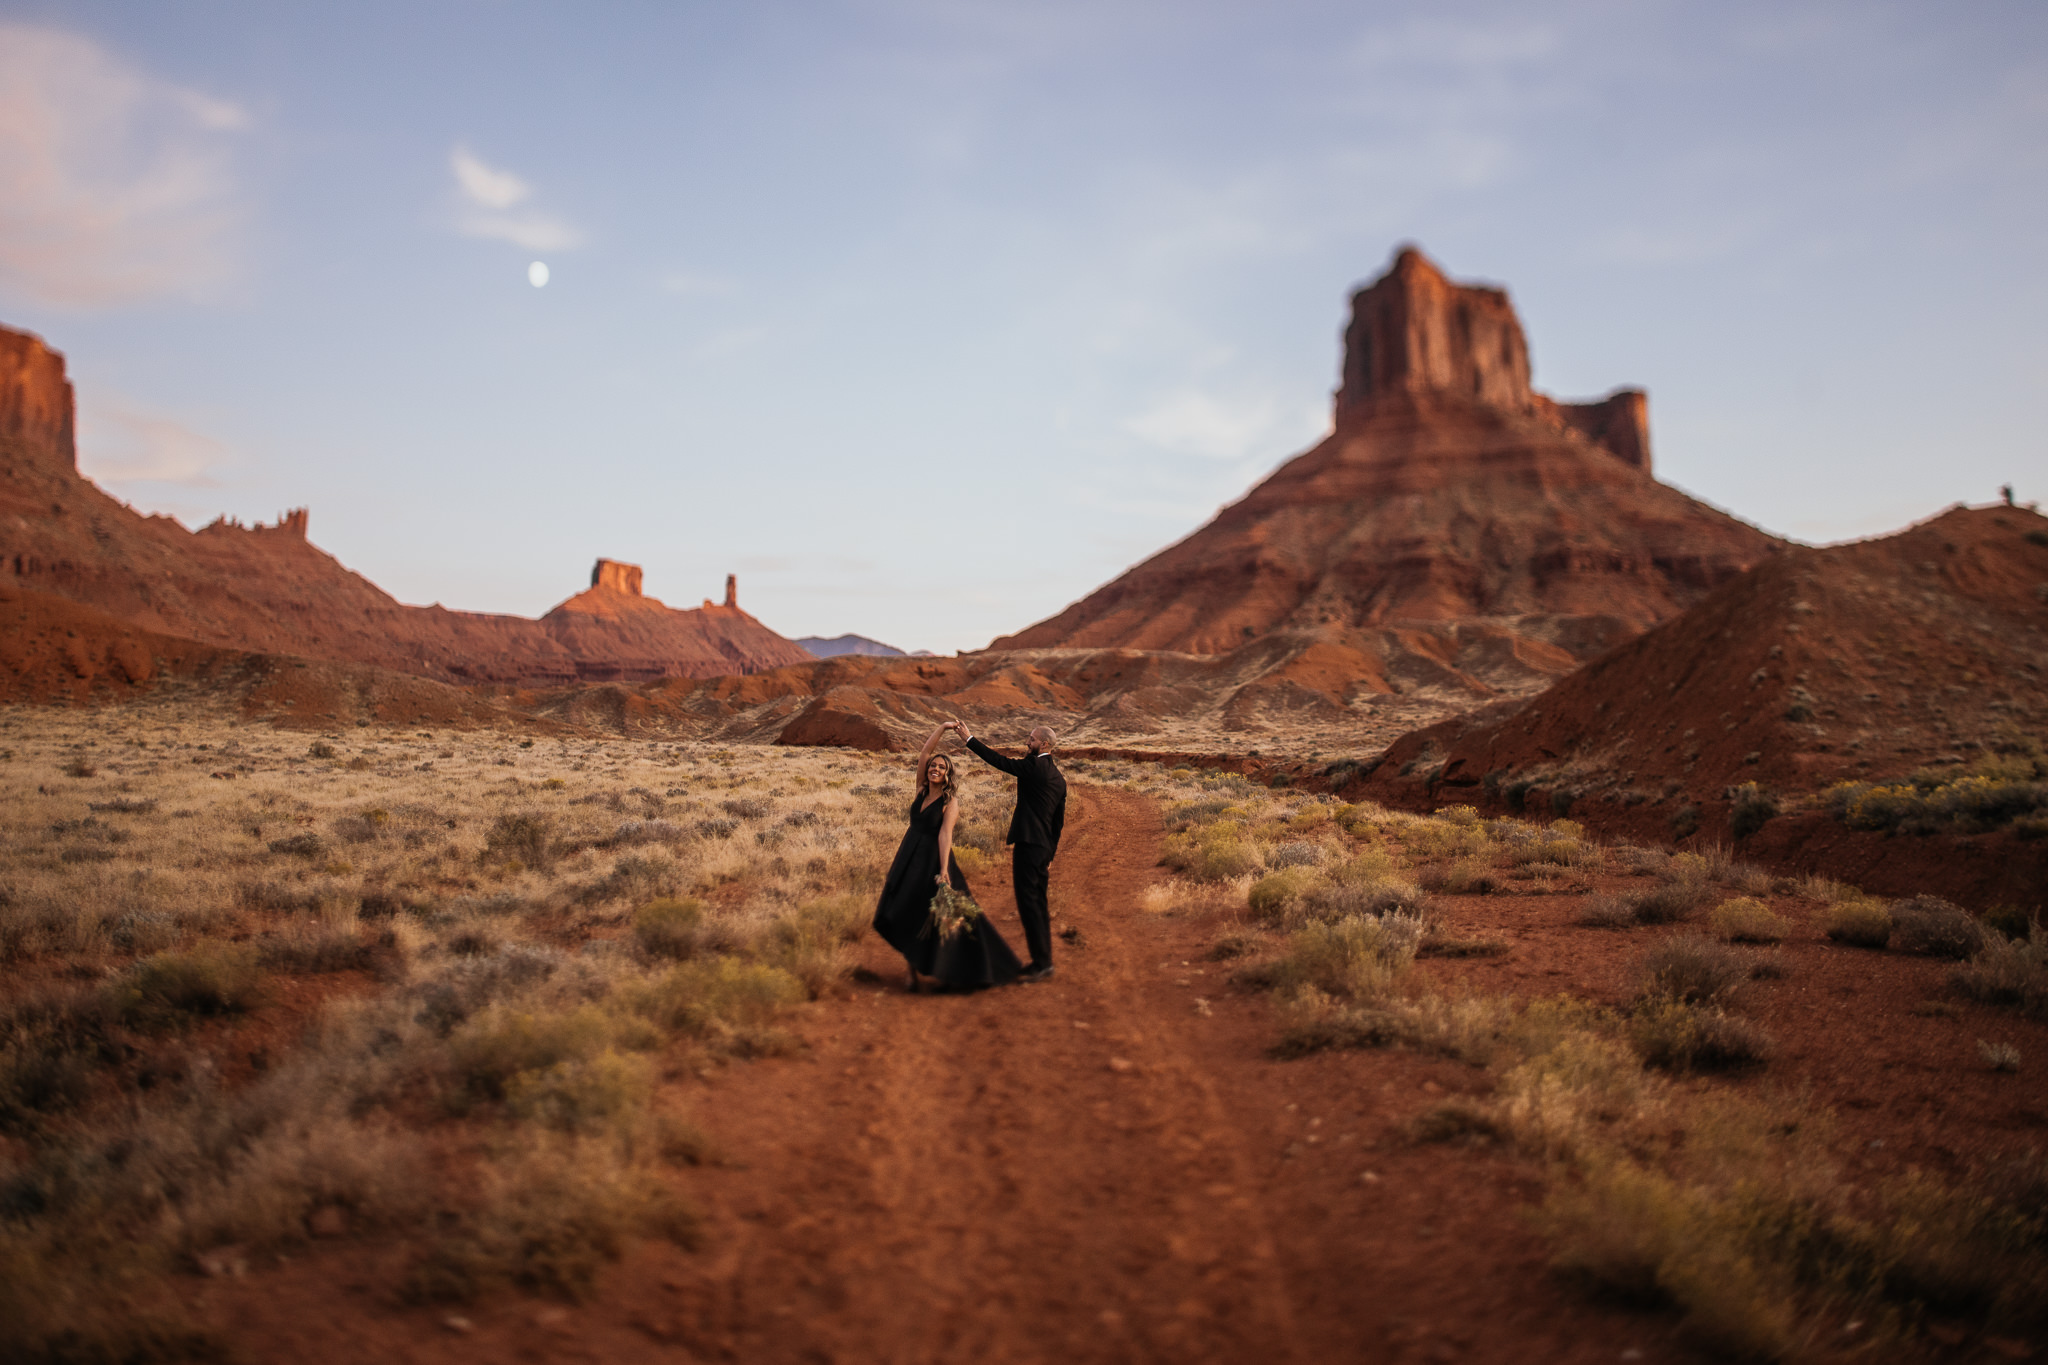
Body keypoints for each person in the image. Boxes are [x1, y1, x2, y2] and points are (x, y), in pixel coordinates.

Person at [871, 721, 1022, 992]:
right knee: (903, 909)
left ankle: (956, 968)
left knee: (935, 915)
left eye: (941, 767)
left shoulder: (950, 802)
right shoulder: (920, 790)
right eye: (933, 766)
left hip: (931, 859)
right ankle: (911, 969)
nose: (934, 769)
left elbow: (945, 836)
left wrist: (943, 870)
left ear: (948, 774)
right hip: (907, 856)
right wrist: (942, 728)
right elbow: (924, 753)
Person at [958, 720, 1067, 982]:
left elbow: (1000, 762)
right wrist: (1050, 854)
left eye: (1030, 739)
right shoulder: (1059, 779)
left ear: (1045, 744)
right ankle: (1044, 961)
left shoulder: (1034, 766)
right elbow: (1058, 823)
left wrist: (970, 739)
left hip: (1029, 845)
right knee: (1038, 904)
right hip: (1042, 849)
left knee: (1028, 903)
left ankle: (1041, 964)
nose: (1026, 743)